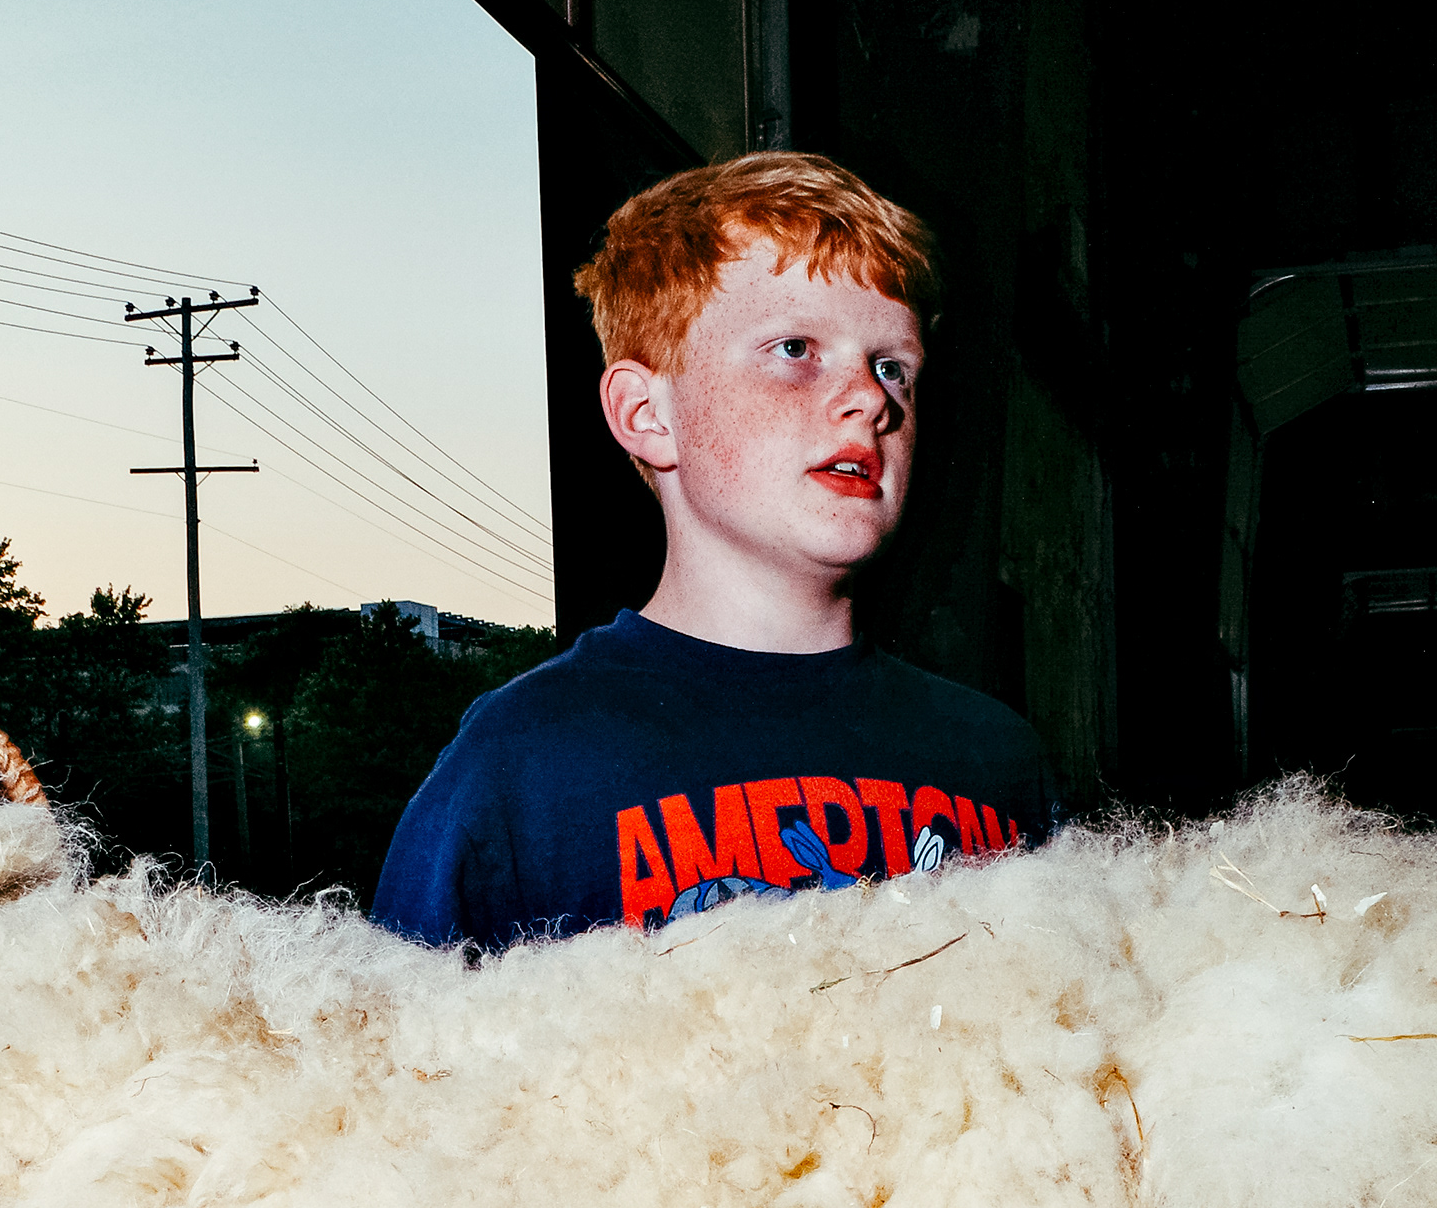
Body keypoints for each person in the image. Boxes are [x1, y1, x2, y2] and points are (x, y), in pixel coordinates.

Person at [371, 154, 1056, 951]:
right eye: (796, 349)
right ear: (646, 413)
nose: (871, 398)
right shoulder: (524, 767)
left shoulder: (998, 757)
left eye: (893, 367)